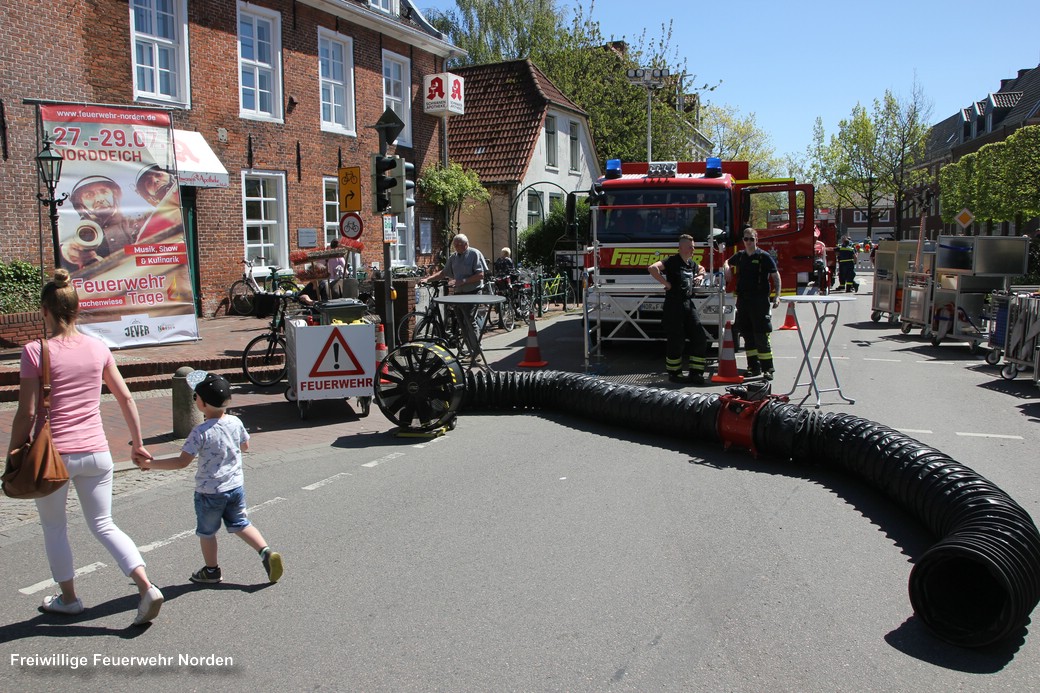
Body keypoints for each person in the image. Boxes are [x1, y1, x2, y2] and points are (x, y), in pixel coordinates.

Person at [6, 269, 163, 625]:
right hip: (96, 451)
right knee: (104, 523)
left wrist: (13, 454)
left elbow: (27, 412)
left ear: (44, 311)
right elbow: (125, 397)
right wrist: (137, 444)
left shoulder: (35, 351)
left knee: (55, 528)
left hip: (53, 458)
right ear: (77, 311)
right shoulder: (98, 347)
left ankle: (69, 599)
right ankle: (146, 587)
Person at [135, 371, 283, 585]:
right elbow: (245, 446)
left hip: (209, 492)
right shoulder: (235, 422)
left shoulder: (200, 431)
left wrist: (150, 464)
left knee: (207, 532)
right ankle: (265, 552)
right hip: (235, 487)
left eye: (196, 396)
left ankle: (211, 571)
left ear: (202, 403)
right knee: (241, 523)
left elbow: (181, 462)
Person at [648, 234, 709, 385]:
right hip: (674, 306)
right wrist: (666, 283)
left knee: (700, 337)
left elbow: (702, 268)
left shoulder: (691, 264)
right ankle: (674, 373)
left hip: (688, 303)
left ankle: (696, 373)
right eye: (690, 247)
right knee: (677, 341)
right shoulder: (672, 261)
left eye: (693, 246)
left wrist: (700, 276)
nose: (693, 249)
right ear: (681, 248)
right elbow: (652, 268)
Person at [724, 226, 782, 380]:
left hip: (760, 301)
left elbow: (776, 276)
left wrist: (777, 296)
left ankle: (767, 368)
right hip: (743, 300)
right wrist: (727, 269)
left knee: (761, 334)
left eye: (751, 239)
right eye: (746, 239)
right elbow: (727, 262)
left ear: (756, 240)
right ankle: (753, 367)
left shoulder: (764, 256)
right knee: (747, 334)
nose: (748, 242)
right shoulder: (741, 256)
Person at [60, 176, 142, 269]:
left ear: (114, 196)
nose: (100, 199)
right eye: (89, 195)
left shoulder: (136, 222)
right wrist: (68, 253)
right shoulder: (78, 235)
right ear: (81, 204)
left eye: (104, 192)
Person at [421, 233, 487, 294]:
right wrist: (427, 279)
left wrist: (462, 281)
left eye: (458, 245)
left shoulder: (474, 254)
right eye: (455, 245)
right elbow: (444, 273)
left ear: (466, 244)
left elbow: (480, 275)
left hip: (473, 292)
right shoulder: (454, 257)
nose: (456, 247)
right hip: (458, 292)